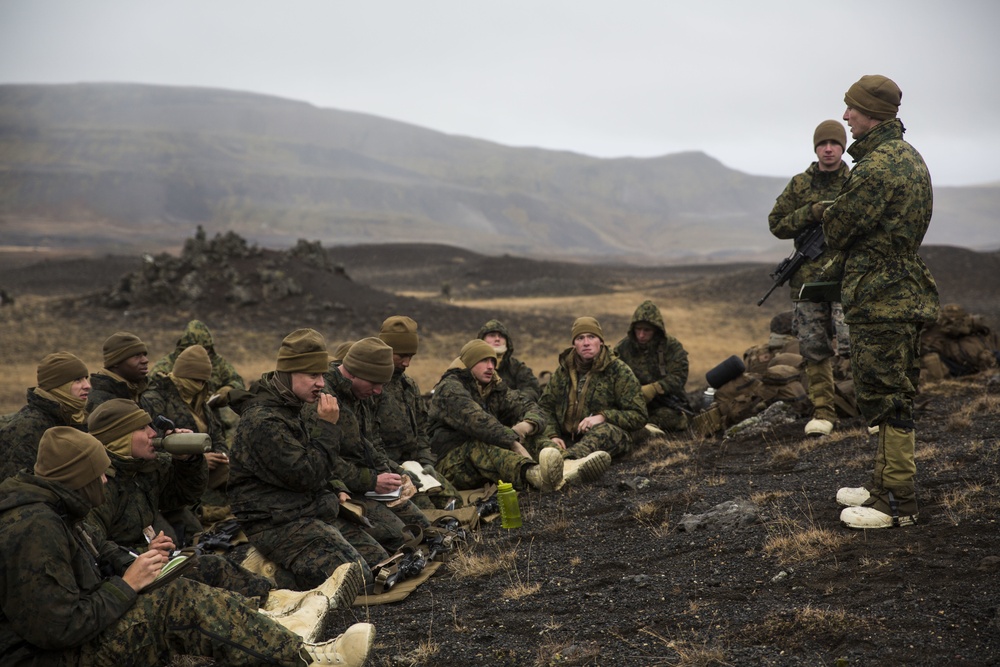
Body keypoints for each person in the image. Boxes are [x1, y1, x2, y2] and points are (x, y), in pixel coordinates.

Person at [0, 425, 375, 666]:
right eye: (97, 473)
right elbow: (56, 629)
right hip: (51, 656)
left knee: (180, 578)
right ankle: (311, 659)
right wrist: (127, 584)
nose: (104, 477)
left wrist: (139, 568)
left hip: (64, 643)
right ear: (78, 479)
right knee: (177, 603)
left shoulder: (55, 513)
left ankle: (281, 618)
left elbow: (94, 563)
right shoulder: (35, 529)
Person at [83, 398, 362, 618]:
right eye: (142, 429)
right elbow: (92, 546)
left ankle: (287, 600)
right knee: (206, 573)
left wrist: (187, 461)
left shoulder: (141, 470)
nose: (152, 433)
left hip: (143, 563)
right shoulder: (97, 482)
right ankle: (282, 606)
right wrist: (143, 555)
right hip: (122, 580)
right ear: (119, 438)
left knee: (212, 566)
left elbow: (183, 495)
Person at [820, 75, 940, 529]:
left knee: (887, 399)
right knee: (892, 393)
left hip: (880, 296)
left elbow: (838, 230)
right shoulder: (910, 158)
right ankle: (883, 482)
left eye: (852, 109)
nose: (846, 117)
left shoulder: (876, 169)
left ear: (873, 113)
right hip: (900, 289)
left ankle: (898, 504)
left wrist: (832, 212)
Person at [229, 329, 388, 588]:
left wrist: (336, 487)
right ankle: (262, 574)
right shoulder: (263, 421)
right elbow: (304, 474)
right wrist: (327, 427)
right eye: (313, 375)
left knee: (378, 561)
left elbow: (317, 461)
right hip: (276, 522)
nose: (321, 383)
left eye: (323, 375)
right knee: (357, 578)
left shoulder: (293, 408)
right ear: (288, 373)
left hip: (307, 509)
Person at [768, 120, 853, 437]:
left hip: (848, 277)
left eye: (834, 143)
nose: (828, 148)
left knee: (854, 345)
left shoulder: (857, 181)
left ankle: (874, 411)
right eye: (822, 144)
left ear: (843, 147)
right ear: (816, 148)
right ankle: (823, 412)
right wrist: (811, 213)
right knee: (814, 349)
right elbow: (777, 224)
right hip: (807, 280)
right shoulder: (800, 185)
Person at [323, 337, 430, 553]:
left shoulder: (363, 394)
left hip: (365, 485)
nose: (379, 391)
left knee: (422, 528)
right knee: (399, 538)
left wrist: (392, 473)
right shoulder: (325, 398)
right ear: (353, 372)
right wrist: (372, 480)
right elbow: (324, 460)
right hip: (337, 489)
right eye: (374, 384)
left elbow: (372, 443)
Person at [427, 339, 569, 493]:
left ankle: (567, 465)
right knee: (481, 444)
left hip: (481, 461)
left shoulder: (493, 387)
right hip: (448, 465)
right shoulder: (450, 388)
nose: (490, 367)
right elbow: (480, 423)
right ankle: (532, 474)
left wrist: (526, 426)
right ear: (469, 363)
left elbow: (532, 407)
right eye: (484, 361)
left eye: (493, 361)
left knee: (531, 435)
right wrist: (513, 442)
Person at [376, 316, 463, 509]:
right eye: (401, 356)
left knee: (454, 501)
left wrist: (425, 462)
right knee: (426, 510)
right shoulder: (371, 388)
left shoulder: (409, 386)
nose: (407, 363)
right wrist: (397, 470)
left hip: (415, 465)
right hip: (387, 470)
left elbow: (422, 430)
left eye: (411, 357)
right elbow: (367, 443)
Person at [538, 317, 647, 463]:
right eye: (580, 338)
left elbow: (639, 415)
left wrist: (603, 417)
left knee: (604, 432)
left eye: (591, 337)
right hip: (566, 438)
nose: (586, 343)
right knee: (533, 433)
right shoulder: (563, 370)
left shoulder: (619, 371)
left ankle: (567, 462)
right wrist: (552, 435)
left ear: (601, 341)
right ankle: (556, 461)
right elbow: (545, 407)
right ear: (574, 344)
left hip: (605, 435)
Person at [141, 344, 232, 517]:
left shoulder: (200, 403)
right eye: (196, 380)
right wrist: (198, 459)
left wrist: (221, 456)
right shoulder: (156, 400)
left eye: (204, 382)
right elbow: (153, 444)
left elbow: (217, 435)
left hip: (208, 472)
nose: (200, 386)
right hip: (176, 476)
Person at [0, 352, 90, 482]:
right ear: (58, 385)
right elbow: (13, 489)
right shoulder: (26, 428)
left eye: (85, 378)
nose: (87, 385)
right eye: (78, 380)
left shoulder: (76, 418)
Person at [613, 300, 691, 433]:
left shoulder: (671, 346)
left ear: (656, 330)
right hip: (632, 403)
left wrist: (655, 388)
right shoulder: (623, 348)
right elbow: (612, 375)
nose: (641, 335)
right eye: (638, 329)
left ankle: (644, 428)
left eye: (647, 330)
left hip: (663, 402)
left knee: (672, 418)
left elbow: (679, 377)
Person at [150, 319, 246, 402]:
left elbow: (237, 382)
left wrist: (227, 391)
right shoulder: (168, 363)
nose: (202, 354)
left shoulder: (218, 362)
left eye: (205, 349)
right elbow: (153, 384)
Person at [477, 319, 541, 401]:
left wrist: (512, 402)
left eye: (501, 336)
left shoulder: (517, 367)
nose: (497, 339)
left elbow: (532, 389)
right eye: (492, 335)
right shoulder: (471, 365)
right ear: (482, 339)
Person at [86, 331, 150, 411]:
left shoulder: (136, 393)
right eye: (136, 355)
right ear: (116, 362)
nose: (145, 360)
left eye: (144, 355)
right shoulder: (101, 403)